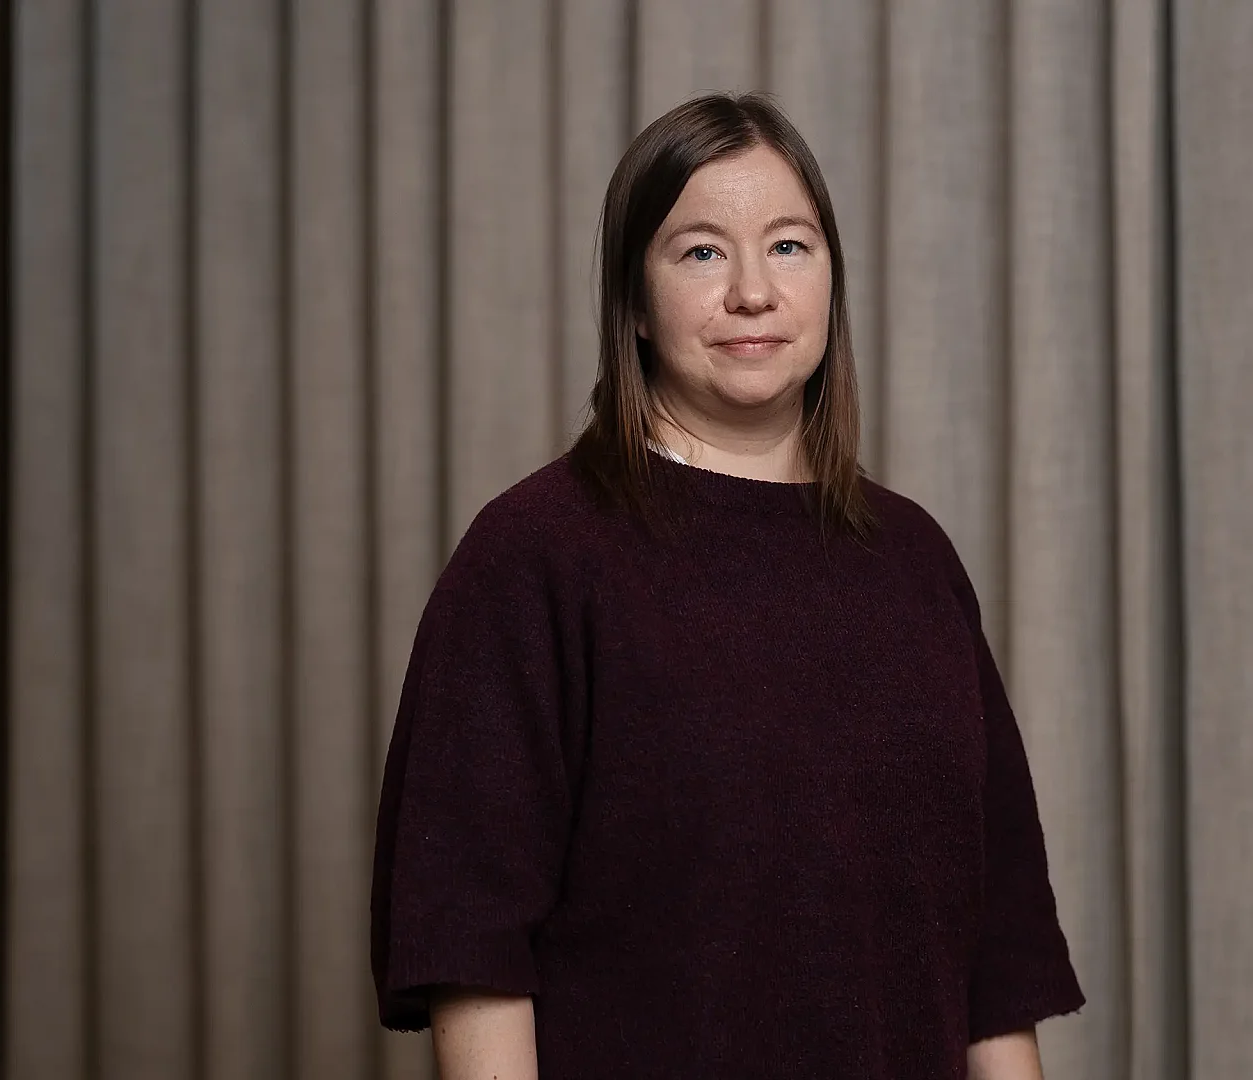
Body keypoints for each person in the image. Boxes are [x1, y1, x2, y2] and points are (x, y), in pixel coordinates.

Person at [370, 91, 1083, 1080]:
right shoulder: (534, 557)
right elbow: (473, 950)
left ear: (833, 280)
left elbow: (997, 953)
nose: (754, 290)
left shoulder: (914, 561)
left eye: (789, 246)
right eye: (701, 251)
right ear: (636, 303)